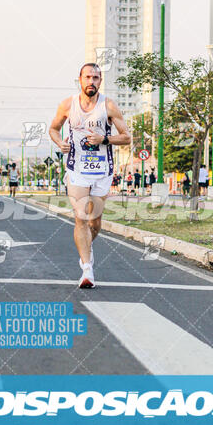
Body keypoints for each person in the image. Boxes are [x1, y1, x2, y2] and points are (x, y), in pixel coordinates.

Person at [49, 62, 130, 288]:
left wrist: (104, 139)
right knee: (80, 217)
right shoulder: (68, 105)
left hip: (102, 171)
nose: (91, 82)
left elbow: (126, 137)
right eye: (88, 77)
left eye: (96, 78)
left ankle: (87, 248)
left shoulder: (109, 106)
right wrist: (60, 143)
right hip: (77, 169)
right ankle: (87, 269)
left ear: (100, 81)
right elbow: (53, 129)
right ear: (80, 79)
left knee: (95, 222)